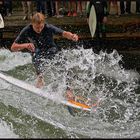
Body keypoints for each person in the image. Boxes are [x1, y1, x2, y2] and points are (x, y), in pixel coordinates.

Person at [11, 12, 79, 88]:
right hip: (38, 52)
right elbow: (13, 47)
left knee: (64, 65)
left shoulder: (48, 27)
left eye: (41, 27)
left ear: (44, 23)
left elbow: (64, 33)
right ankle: (40, 79)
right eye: (37, 27)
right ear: (32, 24)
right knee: (35, 54)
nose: (39, 29)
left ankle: (68, 90)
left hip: (51, 49)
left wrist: (72, 36)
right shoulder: (27, 30)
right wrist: (25, 45)